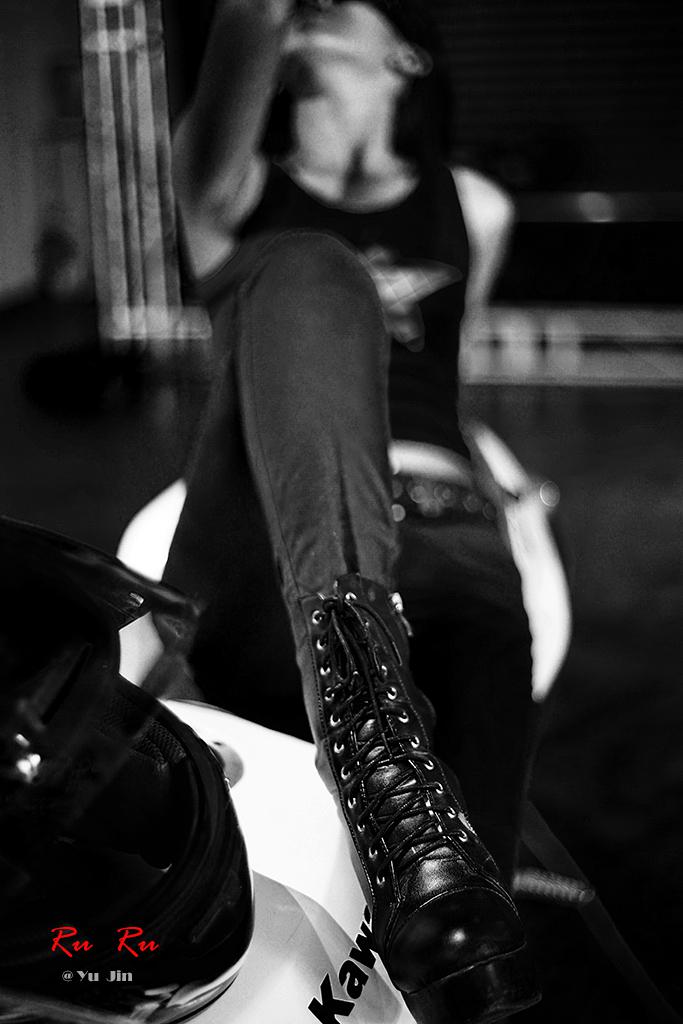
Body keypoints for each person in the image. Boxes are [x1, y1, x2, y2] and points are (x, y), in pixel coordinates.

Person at [163, 1, 540, 1021]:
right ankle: (374, 735)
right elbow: (249, 18)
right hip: (262, 532)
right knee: (309, 263)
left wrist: (508, 490)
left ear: (405, 56)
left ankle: (450, 939)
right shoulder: (232, 192)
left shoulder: (473, 206)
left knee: (469, 932)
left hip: (444, 517)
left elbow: (448, 386)